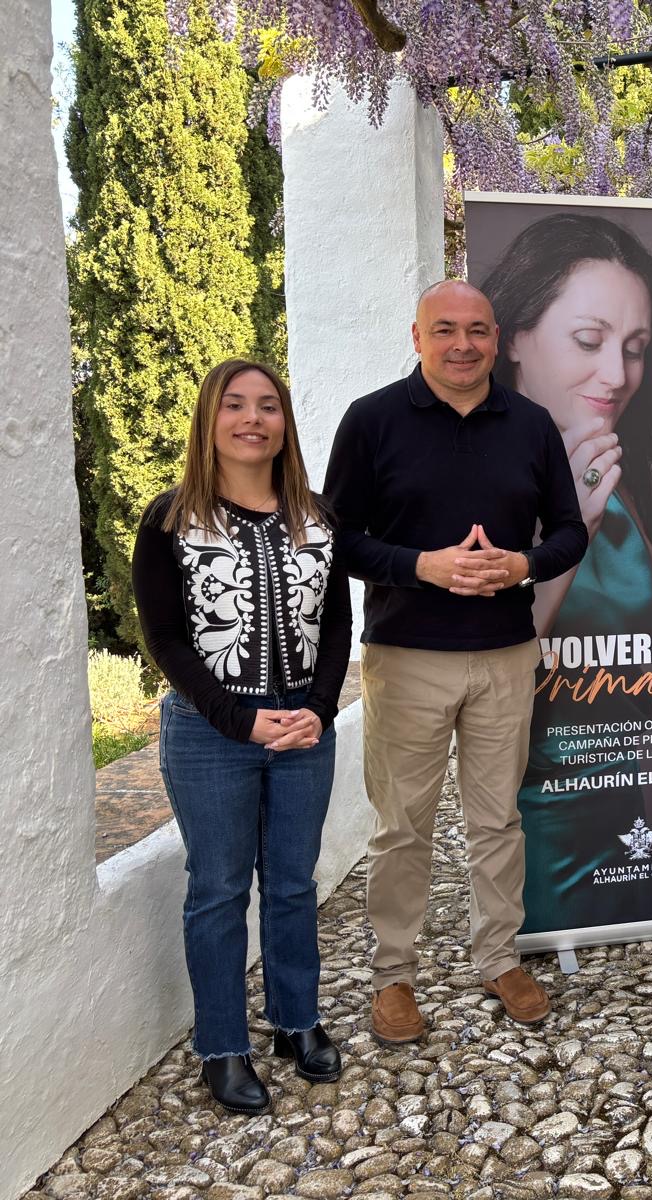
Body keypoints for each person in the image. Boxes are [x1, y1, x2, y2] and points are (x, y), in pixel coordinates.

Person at [322, 280, 588, 1043]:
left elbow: (570, 532)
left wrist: (521, 567)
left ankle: (498, 956)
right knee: (402, 827)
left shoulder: (532, 425)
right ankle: (393, 976)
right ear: (417, 337)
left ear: (497, 338)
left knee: (497, 820)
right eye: (445, 330)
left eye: (476, 330)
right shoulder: (372, 421)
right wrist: (422, 566)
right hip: (407, 656)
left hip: (505, 655)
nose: (462, 344)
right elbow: (337, 539)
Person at [479, 212, 652, 928]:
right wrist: (571, 535)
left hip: (629, 845)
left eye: (635, 348)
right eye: (589, 341)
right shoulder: (474, 484)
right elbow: (483, 675)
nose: (619, 374)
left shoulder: (612, 485)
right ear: (513, 338)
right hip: (539, 841)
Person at [133, 359, 351, 1114]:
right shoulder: (169, 517)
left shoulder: (316, 517)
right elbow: (165, 637)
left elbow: (335, 625)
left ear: (284, 423)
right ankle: (222, 1045)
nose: (252, 419)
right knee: (219, 889)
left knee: (293, 882)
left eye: (268, 406)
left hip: (301, 726)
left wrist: (318, 707)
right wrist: (238, 718)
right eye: (235, 405)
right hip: (209, 733)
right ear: (210, 420)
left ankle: (297, 1021)